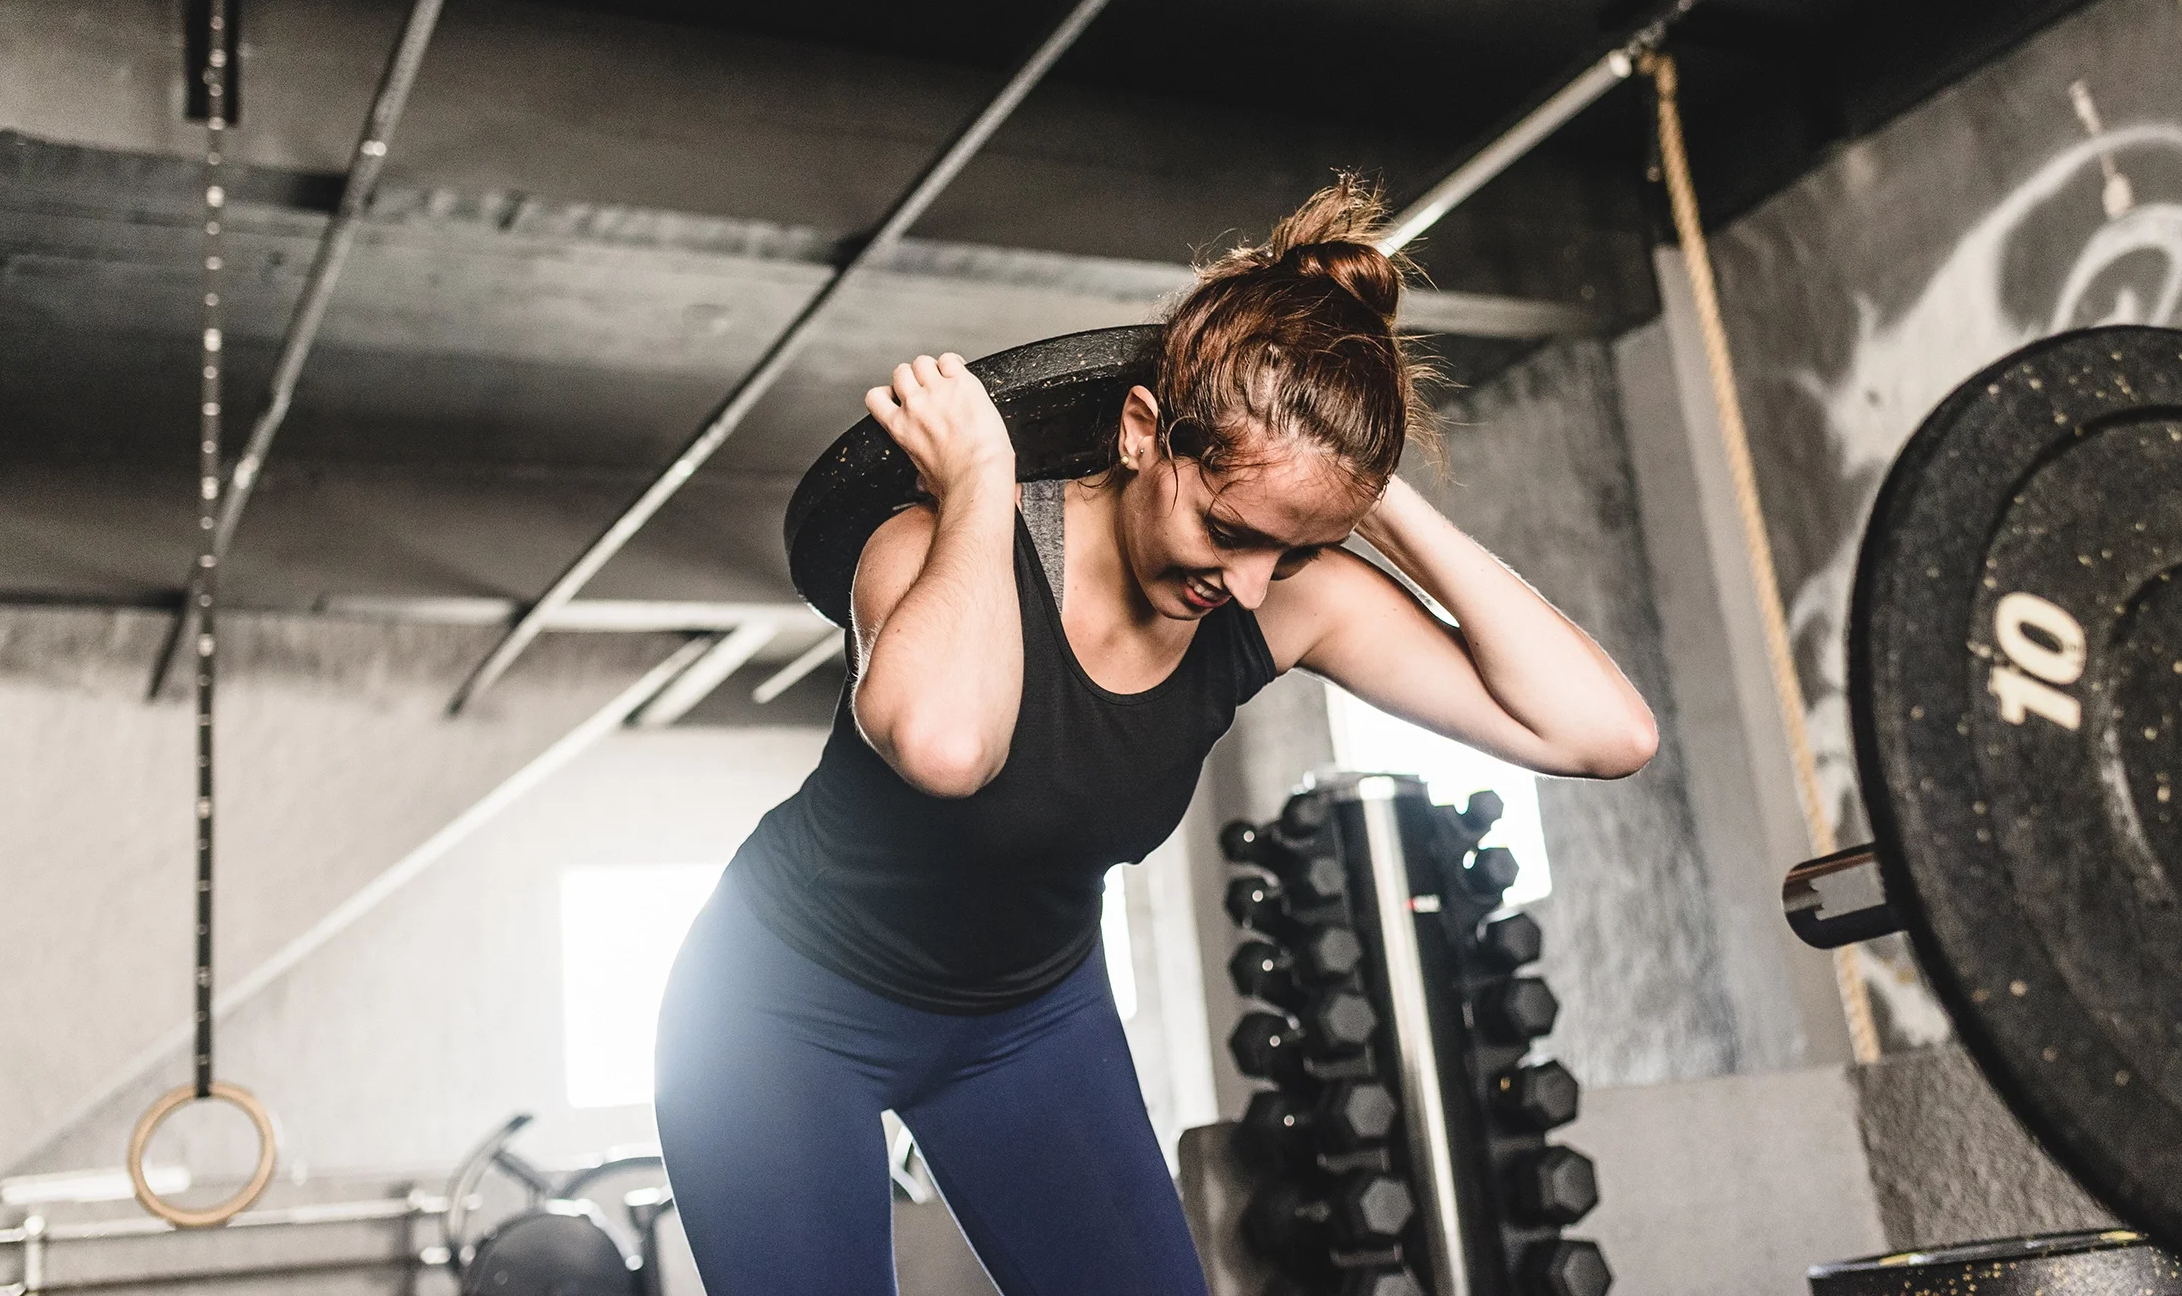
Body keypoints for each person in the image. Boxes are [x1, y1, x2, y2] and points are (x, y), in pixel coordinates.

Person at [654, 176, 1658, 1296]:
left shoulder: (1279, 589)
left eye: (1287, 549)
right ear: (1142, 433)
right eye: (1226, 528)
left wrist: (1363, 496)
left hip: (1028, 1022)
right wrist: (982, 479)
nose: (1245, 583)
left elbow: (1603, 734)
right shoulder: (924, 543)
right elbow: (945, 746)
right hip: (777, 1011)